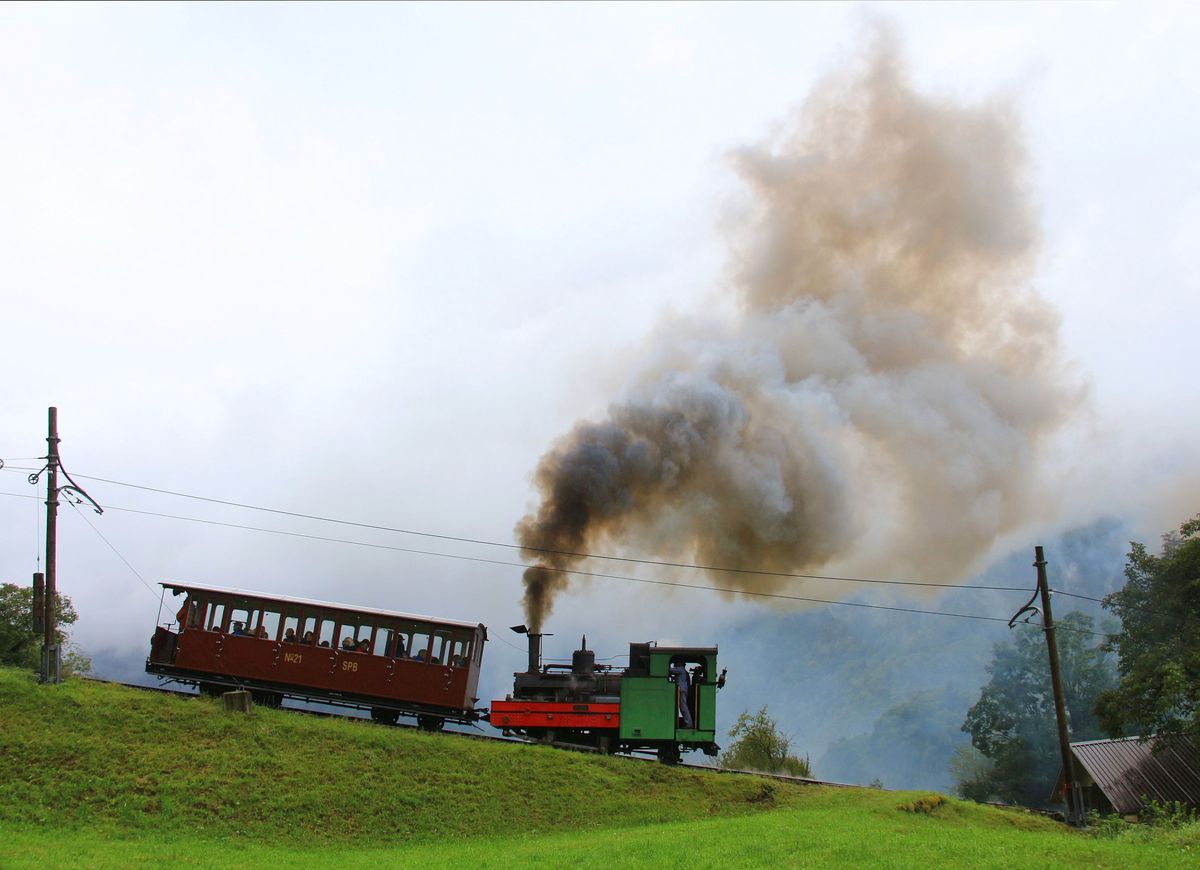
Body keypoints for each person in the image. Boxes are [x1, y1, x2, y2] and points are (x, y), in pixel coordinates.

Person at [670, 661, 693, 729]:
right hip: (683, 689)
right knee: (683, 706)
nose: (675, 664)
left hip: (682, 690)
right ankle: (688, 722)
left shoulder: (680, 669)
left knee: (683, 706)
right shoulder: (683, 671)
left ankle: (688, 723)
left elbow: (670, 670)